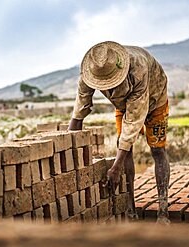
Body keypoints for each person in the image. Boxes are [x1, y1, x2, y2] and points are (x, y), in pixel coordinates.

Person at [68, 41, 170, 224]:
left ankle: (163, 211)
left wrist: (115, 168)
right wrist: (66, 150)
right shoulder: (90, 71)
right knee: (124, 150)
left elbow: (133, 123)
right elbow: (79, 109)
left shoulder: (138, 69)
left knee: (157, 150)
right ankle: (130, 210)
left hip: (155, 101)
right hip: (124, 105)